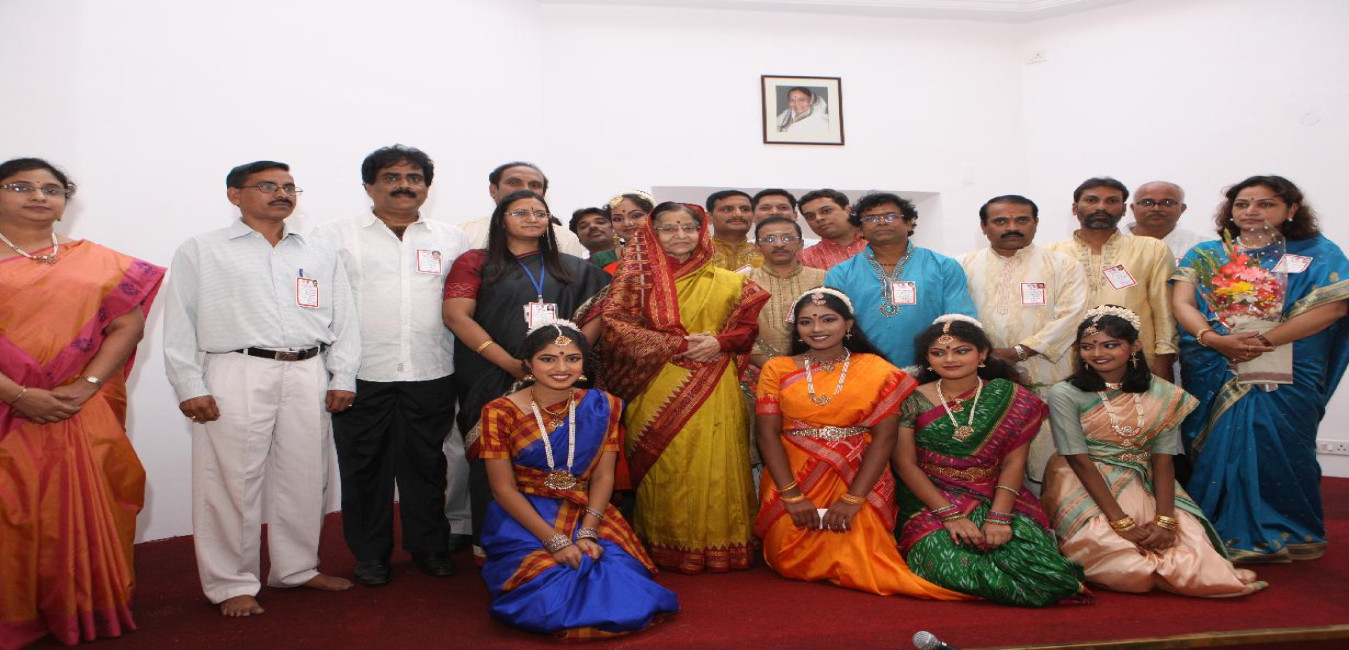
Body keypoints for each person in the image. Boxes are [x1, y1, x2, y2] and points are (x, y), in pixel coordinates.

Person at [163, 160, 360, 616]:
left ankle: (296, 569)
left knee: (307, 476)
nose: (282, 193)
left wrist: (343, 374)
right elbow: (179, 321)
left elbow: (345, 319)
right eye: (268, 186)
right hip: (236, 369)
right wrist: (188, 384)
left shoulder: (319, 251)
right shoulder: (202, 249)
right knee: (231, 480)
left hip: (308, 370)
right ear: (235, 195)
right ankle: (231, 583)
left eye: (289, 186)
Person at [0, 158, 165, 646]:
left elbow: (128, 325)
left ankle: (83, 606)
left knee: (98, 498)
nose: (39, 196)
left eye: (52, 189)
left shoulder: (96, 260)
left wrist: (87, 384)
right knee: (12, 509)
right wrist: (19, 394)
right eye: (20, 187)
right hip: (9, 409)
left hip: (80, 406)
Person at [310, 145, 469, 586]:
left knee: (428, 466)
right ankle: (370, 555)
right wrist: (334, 369)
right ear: (369, 186)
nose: (404, 185)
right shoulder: (332, 236)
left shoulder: (451, 239)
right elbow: (320, 305)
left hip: (432, 370)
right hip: (360, 374)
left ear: (427, 187)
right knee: (363, 469)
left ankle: (429, 546)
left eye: (414, 178)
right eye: (392, 177)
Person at [1172, 175, 1349, 563]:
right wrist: (1212, 338)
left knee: (1281, 444)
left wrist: (1264, 341)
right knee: (1216, 445)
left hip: (1287, 368)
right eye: (1242, 204)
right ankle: (1217, 530)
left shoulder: (1318, 252)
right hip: (1215, 363)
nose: (1251, 211)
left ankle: (1291, 530)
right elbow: (1182, 302)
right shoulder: (1207, 253)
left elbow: (1334, 307)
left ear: (1292, 209)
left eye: (1265, 203)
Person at [755, 289, 967, 600]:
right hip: (794, 474)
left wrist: (853, 499)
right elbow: (766, 434)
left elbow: (885, 438)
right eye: (806, 322)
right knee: (789, 559)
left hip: (858, 474)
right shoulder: (778, 368)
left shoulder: (877, 369)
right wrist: (792, 495)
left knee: (866, 556)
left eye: (828, 319)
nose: (817, 329)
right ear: (797, 328)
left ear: (849, 324)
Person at [1040, 307, 1264, 596]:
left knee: (1186, 543)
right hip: (1080, 479)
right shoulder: (1065, 393)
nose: (1097, 354)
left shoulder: (1163, 393)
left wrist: (1165, 521)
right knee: (1123, 563)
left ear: (1134, 346)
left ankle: (1189, 574)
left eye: (1110, 345)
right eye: (1087, 346)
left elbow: (1163, 460)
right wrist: (1121, 522)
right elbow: (1077, 459)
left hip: (1141, 477)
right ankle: (1168, 577)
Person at [597, 202, 768, 573]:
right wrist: (677, 344)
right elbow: (615, 329)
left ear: (701, 232)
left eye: (688, 227)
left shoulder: (729, 280)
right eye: (669, 228)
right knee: (668, 464)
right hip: (655, 382)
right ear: (652, 233)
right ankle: (665, 544)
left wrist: (719, 342)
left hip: (715, 382)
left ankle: (723, 545)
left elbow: (747, 330)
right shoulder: (636, 280)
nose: (680, 235)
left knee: (718, 459)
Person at [479, 321, 679, 640]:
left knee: (613, 575)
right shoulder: (499, 411)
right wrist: (554, 541)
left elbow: (604, 475)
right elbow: (503, 489)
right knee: (549, 589)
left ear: (584, 364)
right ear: (528, 364)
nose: (561, 368)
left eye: (572, 358)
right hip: (525, 513)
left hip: (586, 509)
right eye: (548, 359)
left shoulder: (602, 406)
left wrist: (589, 529)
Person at [442, 190, 609, 556]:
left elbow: (601, 310)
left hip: (559, 379)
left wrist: (566, 358)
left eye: (540, 212)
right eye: (520, 212)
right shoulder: (476, 262)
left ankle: (562, 534)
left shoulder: (575, 268)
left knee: (561, 453)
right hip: (493, 374)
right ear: (500, 219)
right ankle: (497, 546)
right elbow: (456, 315)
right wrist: (510, 363)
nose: (532, 218)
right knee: (496, 460)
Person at [893, 316, 1090, 606]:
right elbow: (905, 465)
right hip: (931, 498)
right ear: (927, 359)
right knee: (944, 563)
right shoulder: (910, 398)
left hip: (996, 494)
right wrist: (950, 515)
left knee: (1048, 572)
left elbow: (1013, 463)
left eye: (961, 351)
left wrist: (999, 518)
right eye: (939, 352)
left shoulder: (1011, 397)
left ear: (982, 354)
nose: (950, 359)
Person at [958, 195, 1086, 489]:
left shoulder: (1063, 265)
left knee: (1050, 462)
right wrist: (983, 356)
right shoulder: (962, 265)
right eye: (1001, 221)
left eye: (1022, 220)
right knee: (990, 459)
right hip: (983, 378)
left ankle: (1050, 514)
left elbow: (1073, 315)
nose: (1012, 227)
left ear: (1036, 223)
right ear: (983, 226)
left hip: (1049, 376)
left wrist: (1021, 351)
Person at [825, 192, 976, 368]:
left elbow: (959, 320)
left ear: (909, 222)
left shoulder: (943, 266)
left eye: (890, 216)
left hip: (931, 368)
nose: (881, 222)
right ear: (859, 229)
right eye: (871, 218)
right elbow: (834, 326)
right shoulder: (841, 273)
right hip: (864, 369)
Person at [1046, 178, 1176, 381]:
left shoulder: (1151, 249)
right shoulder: (1051, 254)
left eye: (1112, 201)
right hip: (1068, 362)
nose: (1101, 207)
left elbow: (1164, 310)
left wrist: (1164, 360)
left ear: (1124, 210)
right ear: (1075, 208)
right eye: (1091, 200)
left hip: (1137, 360)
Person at [457, 162, 588, 257]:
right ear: (493, 190)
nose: (525, 189)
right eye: (514, 183)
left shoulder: (565, 238)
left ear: (543, 194)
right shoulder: (464, 233)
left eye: (534, 185)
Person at [747, 217, 827, 368]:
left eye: (788, 238)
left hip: (816, 367)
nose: (779, 244)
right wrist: (771, 366)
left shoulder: (823, 278)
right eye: (769, 239)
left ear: (800, 244)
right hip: (757, 370)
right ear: (757, 246)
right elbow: (736, 329)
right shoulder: (744, 281)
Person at [1127, 181, 1215, 263]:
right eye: (1147, 202)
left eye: (1167, 202)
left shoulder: (1205, 247)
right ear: (1133, 208)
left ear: (1182, 208)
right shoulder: (1118, 240)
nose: (1156, 208)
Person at [799, 188, 866, 270]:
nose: (818, 218)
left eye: (826, 211)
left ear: (848, 210)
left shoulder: (876, 244)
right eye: (810, 216)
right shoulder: (805, 259)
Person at [706, 189, 762, 272]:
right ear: (709, 217)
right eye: (727, 209)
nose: (738, 214)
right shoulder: (698, 254)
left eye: (745, 209)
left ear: (753, 216)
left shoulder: (766, 253)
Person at [601, 191, 654, 275]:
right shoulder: (608, 269)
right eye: (618, 219)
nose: (627, 223)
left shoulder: (672, 252)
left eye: (636, 216)